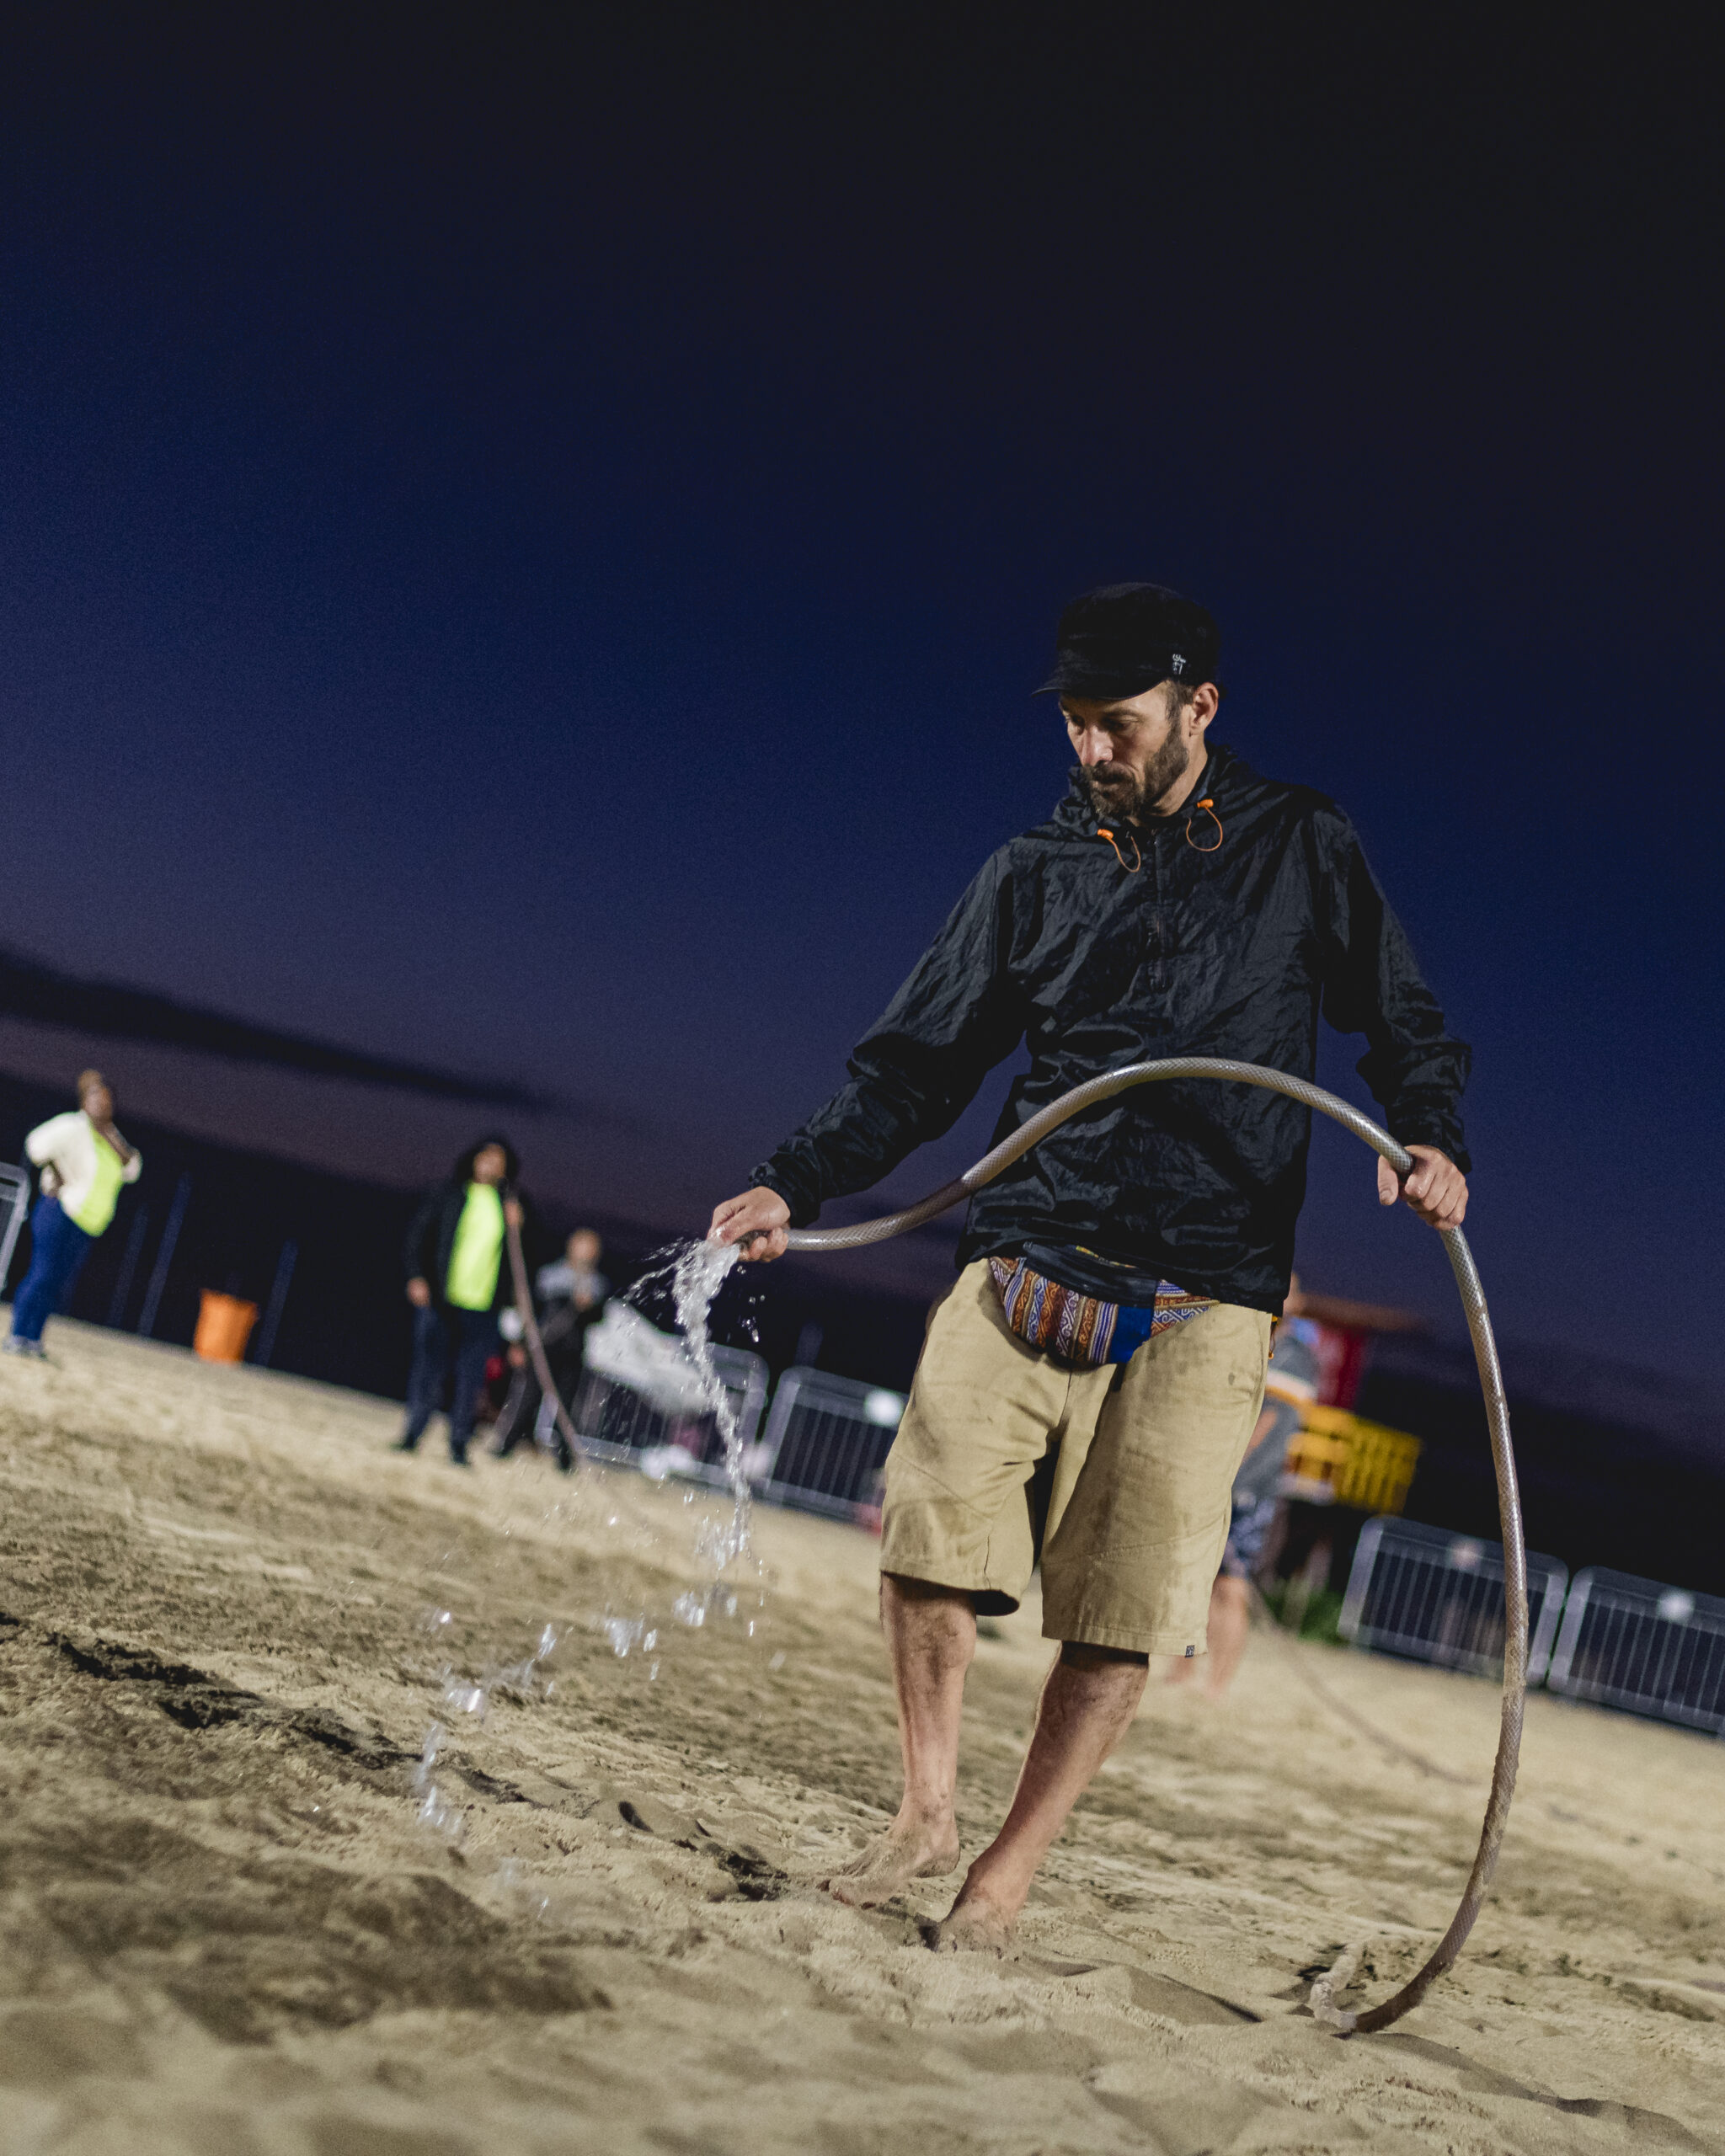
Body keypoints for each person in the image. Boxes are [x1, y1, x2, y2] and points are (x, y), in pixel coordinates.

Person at [708, 581, 1470, 1954]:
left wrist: (1426, 1131)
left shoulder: (1301, 841)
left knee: (1124, 1608)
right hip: (1027, 1245)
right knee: (927, 1536)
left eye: (1117, 723)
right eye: (1074, 724)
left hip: (1211, 1290)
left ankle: (1003, 1876)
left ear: (1198, 706)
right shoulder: (1033, 869)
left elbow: (1398, 1011)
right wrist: (795, 1179)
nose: (1092, 750)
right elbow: (914, 1065)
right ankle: (924, 1812)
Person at [1171, 1273, 1320, 1700]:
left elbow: (1266, 1420)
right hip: (1220, 1479)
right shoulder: (1251, 1341)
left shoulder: (1294, 1356)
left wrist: (1227, 1470)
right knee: (1197, 1580)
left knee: (1231, 1587)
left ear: (1298, 1303)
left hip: (1252, 1487)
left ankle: (1217, 1683)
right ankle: (1181, 1669)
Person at [394, 1137, 526, 1465]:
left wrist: (520, 1227)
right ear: (473, 1160)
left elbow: (525, 1259)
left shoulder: (510, 1205)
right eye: (486, 1158)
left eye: (498, 1162)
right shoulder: (450, 1193)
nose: (491, 1165)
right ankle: (412, 1433)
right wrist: (416, 1276)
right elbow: (419, 1234)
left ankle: (458, 1444)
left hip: (484, 1307)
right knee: (429, 1371)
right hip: (442, 1300)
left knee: (471, 1379)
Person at [6, 1070, 142, 1358]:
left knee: (56, 1283)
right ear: (84, 1101)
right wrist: (55, 1170)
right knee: (41, 1274)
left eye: (106, 1100)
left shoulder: (110, 1135)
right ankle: (17, 1334)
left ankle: (33, 1340)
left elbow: (132, 1170)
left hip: (87, 1222)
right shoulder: (72, 1126)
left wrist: (111, 1138)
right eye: (96, 1098)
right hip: (59, 1210)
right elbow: (35, 1144)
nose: (102, 1104)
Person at [490, 1228, 609, 1470]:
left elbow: (599, 1318)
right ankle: (508, 1444)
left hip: (572, 1352)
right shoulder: (551, 1276)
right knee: (528, 1398)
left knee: (566, 1405)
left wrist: (589, 1307)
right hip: (544, 1348)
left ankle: (565, 1457)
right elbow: (532, 1314)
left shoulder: (597, 1285)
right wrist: (520, 1344)